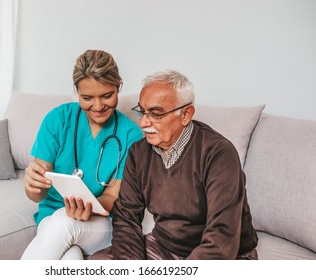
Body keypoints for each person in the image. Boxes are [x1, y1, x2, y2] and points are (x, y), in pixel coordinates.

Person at [90, 70, 258, 260]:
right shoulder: (138, 153)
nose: (144, 123)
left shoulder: (219, 154)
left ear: (186, 114)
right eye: (142, 112)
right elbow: (127, 218)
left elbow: (221, 238)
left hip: (226, 254)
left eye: (155, 114)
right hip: (165, 247)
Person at [21, 50, 143, 260]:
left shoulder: (132, 135)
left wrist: (89, 207)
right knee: (71, 257)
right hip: (49, 217)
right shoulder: (58, 119)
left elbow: (112, 196)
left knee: (63, 223)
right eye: (87, 98)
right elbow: (38, 194)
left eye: (107, 95)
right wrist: (32, 185)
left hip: (100, 222)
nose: (97, 106)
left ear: (118, 87)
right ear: (76, 92)